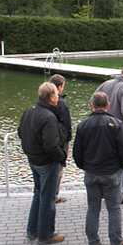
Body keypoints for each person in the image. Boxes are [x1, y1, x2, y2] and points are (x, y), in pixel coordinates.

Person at [73, 91, 123, 245]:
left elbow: (77, 153)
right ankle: (116, 242)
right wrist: (121, 166)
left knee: (93, 209)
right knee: (114, 209)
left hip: (92, 174)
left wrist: (85, 167)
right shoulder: (116, 124)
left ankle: (93, 243)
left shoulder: (83, 125)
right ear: (107, 105)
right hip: (112, 174)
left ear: (92, 105)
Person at [18, 82, 66, 245]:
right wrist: (61, 157)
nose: (59, 98)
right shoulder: (48, 117)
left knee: (38, 194)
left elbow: (20, 132)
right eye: (57, 96)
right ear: (52, 97)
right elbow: (51, 145)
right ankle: (46, 234)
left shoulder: (29, 111)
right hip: (46, 163)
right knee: (47, 198)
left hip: (33, 160)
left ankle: (32, 230)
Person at [94, 65, 123, 205]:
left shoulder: (105, 84)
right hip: (121, 131)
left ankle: (103, 191)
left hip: (102, 129)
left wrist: (99, 117)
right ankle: (119, 194)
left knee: (105, 160)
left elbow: (92, 101)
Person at [49, 74, 72, 204]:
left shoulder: (43, 98)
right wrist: (67, 138)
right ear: (59, 86)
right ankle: (54, 195)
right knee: (58, 167)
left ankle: (47, 192)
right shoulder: (61, 102)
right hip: (60, 139)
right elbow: (66, 123)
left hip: (49, 138)